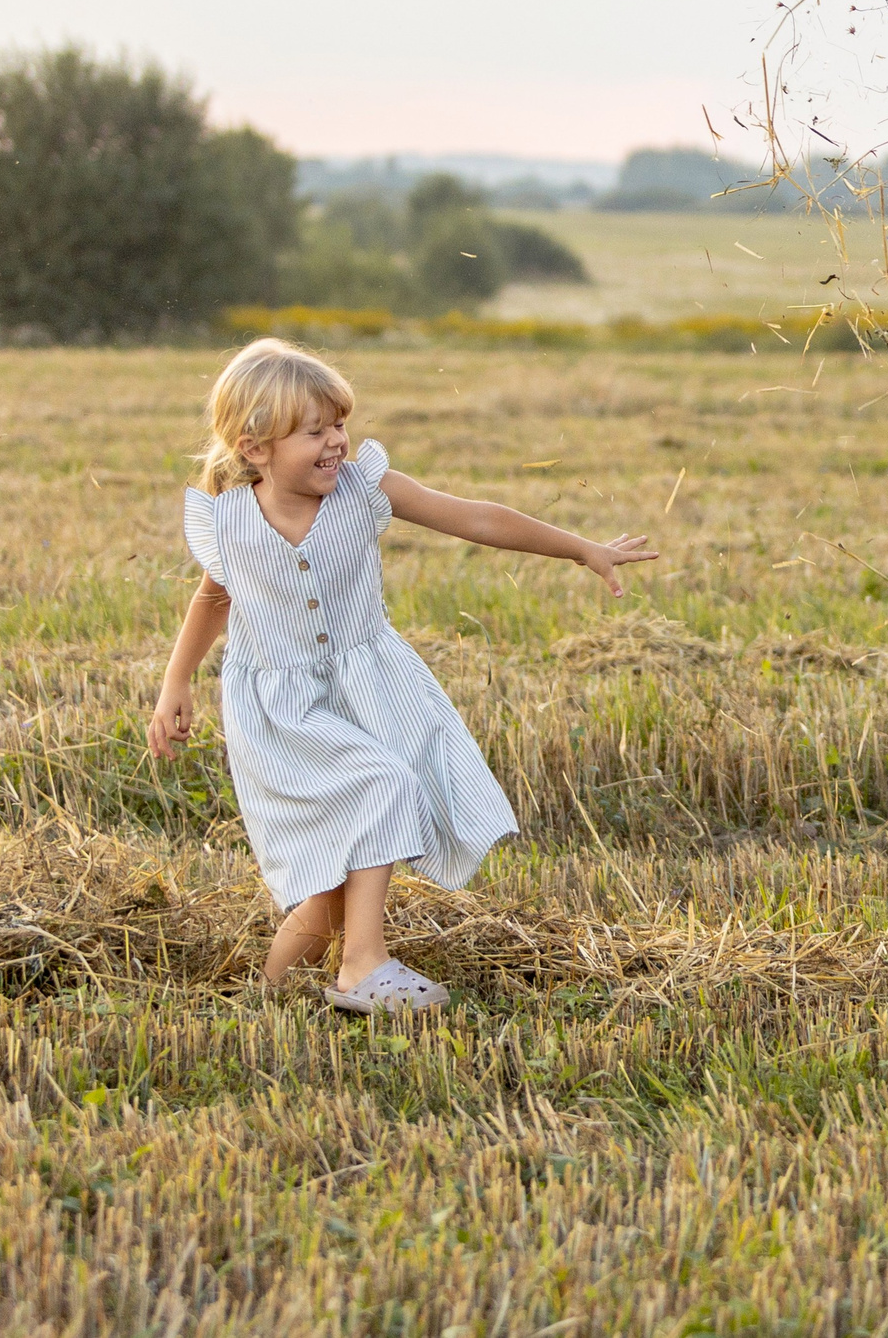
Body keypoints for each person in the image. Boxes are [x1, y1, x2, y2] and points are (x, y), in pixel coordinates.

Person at [147, 337, 657, 1014]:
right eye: (314, 431)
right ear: (256, 447)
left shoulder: (363, 489)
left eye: (339, 423)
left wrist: (582, 549)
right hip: (281, 713)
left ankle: (264, 1000)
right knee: (384, 784)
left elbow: (476, 515)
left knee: (332, 884)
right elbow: (214, 598)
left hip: (366, 692)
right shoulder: (232, 520)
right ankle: (362, 965)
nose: (335, 442)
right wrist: (174, 685)